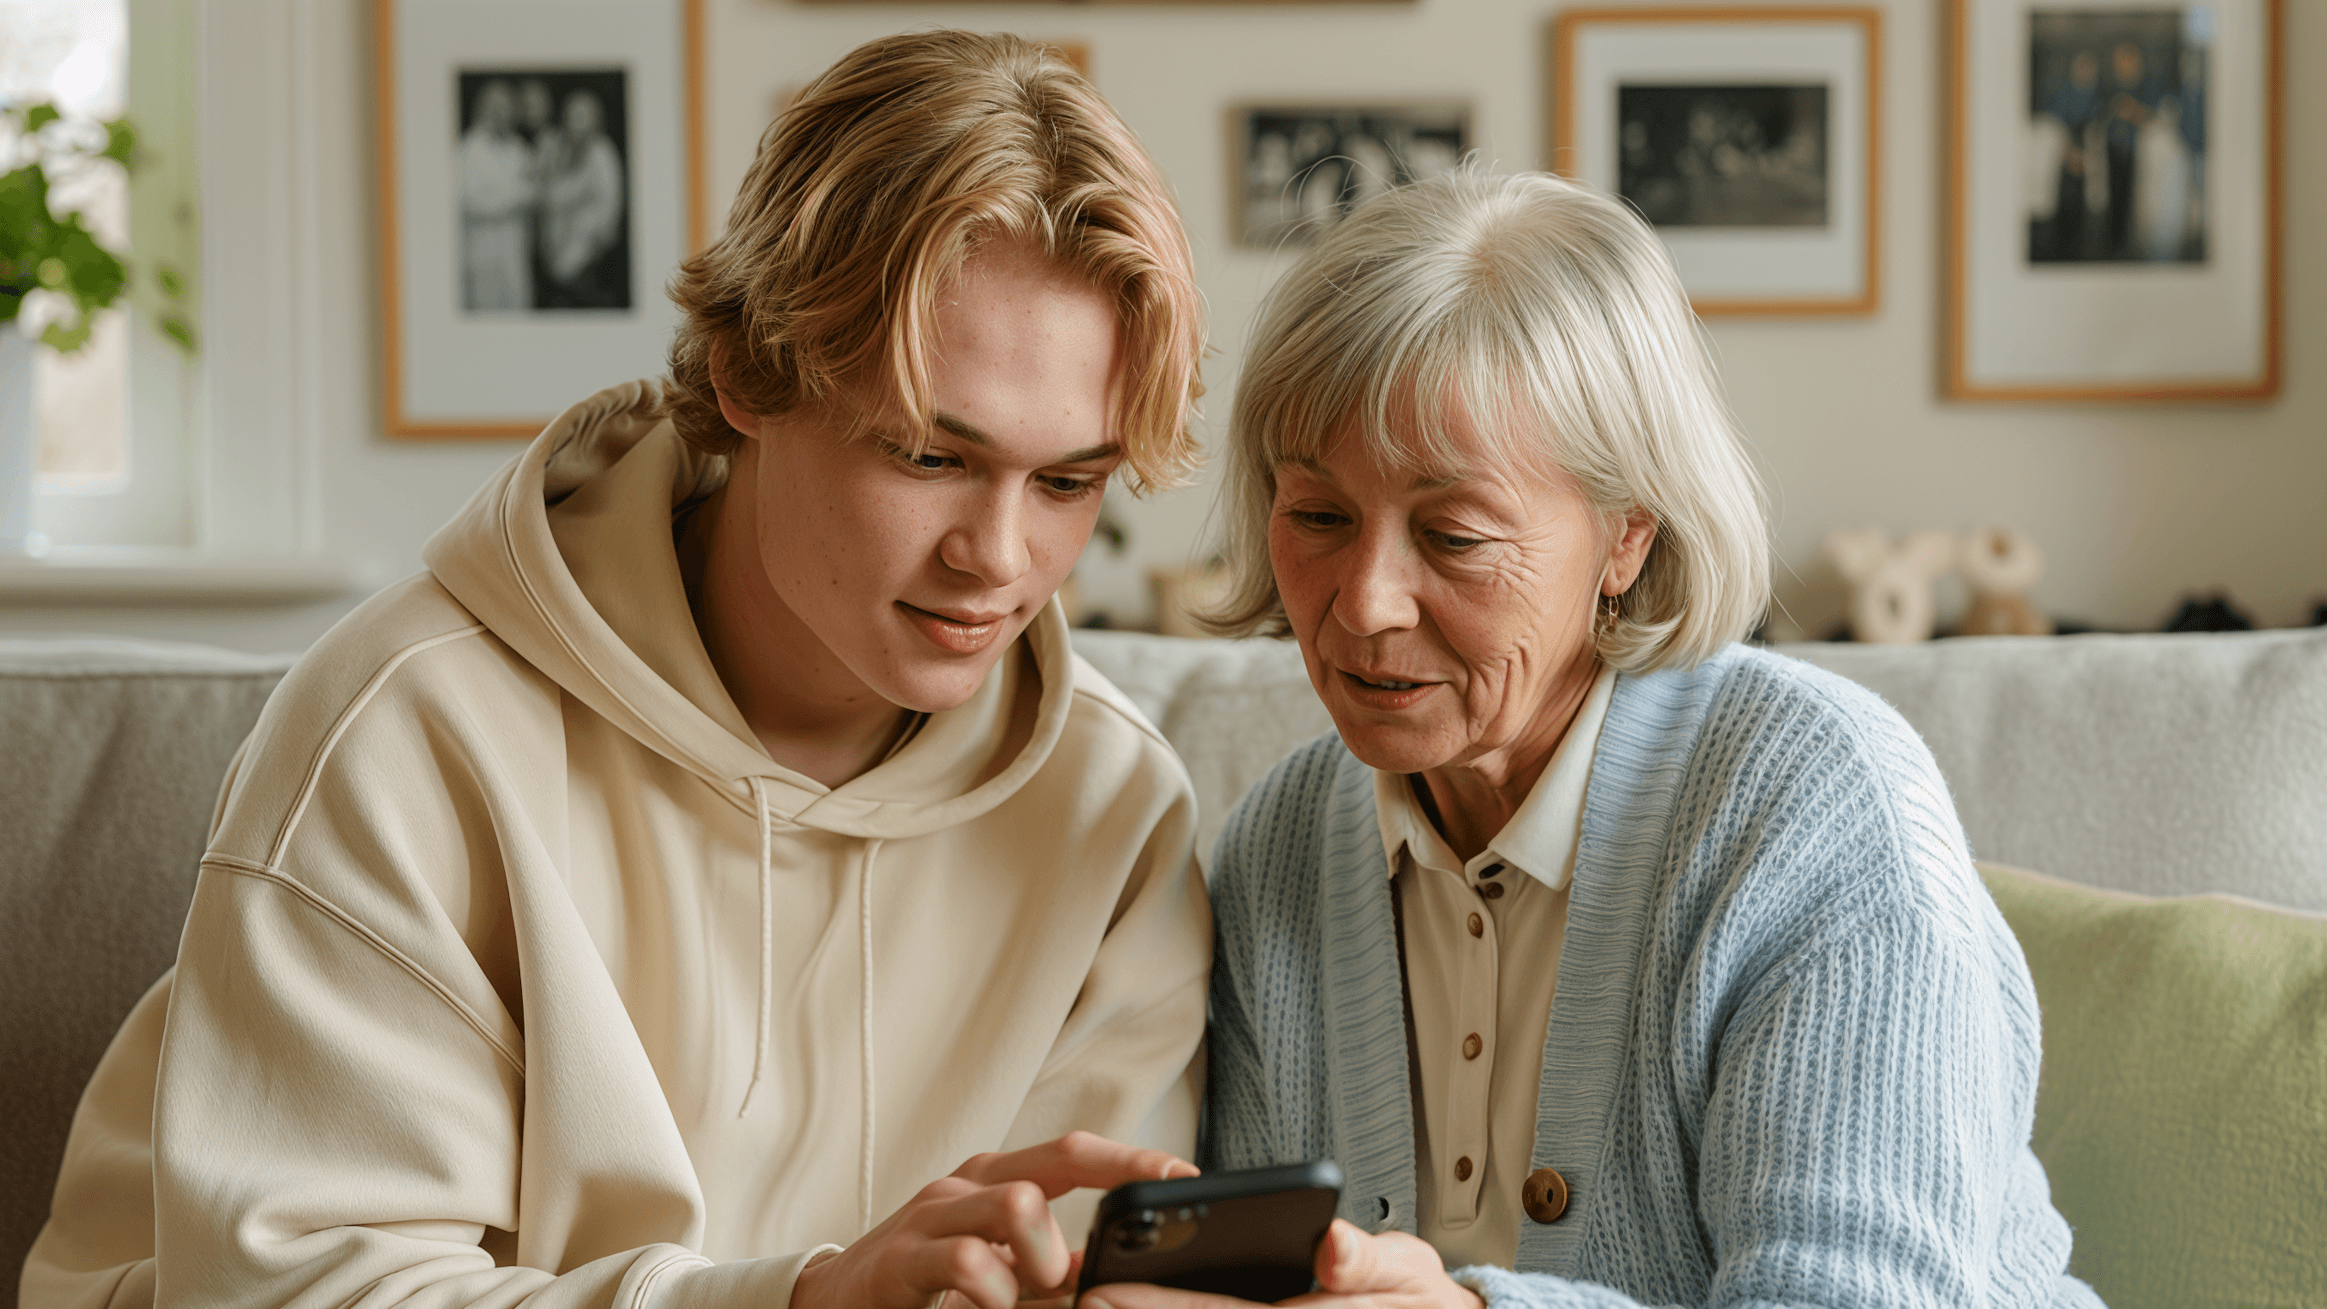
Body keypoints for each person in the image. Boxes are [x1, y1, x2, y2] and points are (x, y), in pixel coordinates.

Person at [24, 31, 1211, 1309]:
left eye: (1070, 482)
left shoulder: (1113, 812)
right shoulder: (406, 730)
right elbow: (295, 1289)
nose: (999, 555)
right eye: (929, 457)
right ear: (745, 372)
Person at [1088, 166, 2102, 1309]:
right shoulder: (1276, 848)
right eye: (1316, 514)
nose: (1362, 600)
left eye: (1454, 534)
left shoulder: (1812, 811)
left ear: (1625, 538)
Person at [458, 78, 536, 311]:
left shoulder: (518, 149)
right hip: (483, 255)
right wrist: (519, 195)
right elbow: (471, 203)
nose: (501, 112)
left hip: (515, 254)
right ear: (482, 108)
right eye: (494, 106)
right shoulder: (469, 149)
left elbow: (535, 190)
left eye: (506, 107)